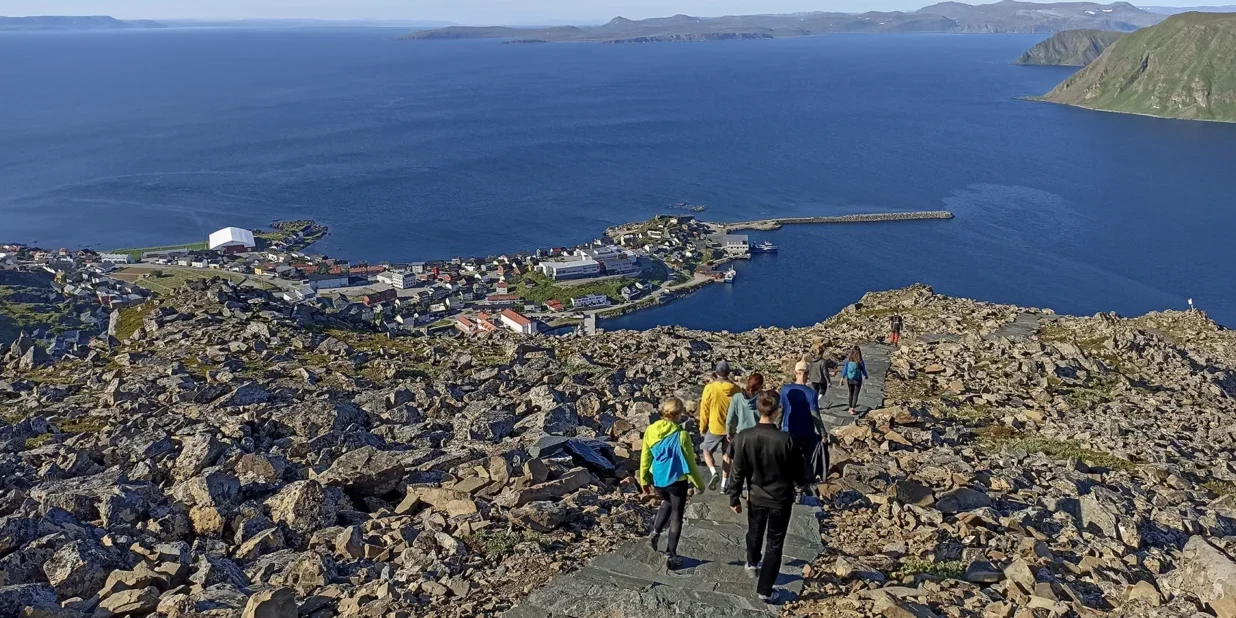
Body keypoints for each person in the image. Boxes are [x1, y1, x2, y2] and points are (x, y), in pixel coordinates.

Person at [727, 391, 806, 603]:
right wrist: (802, 485)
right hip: (780, 499)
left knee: (754, 531)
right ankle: (765, 589)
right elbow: (800, 472)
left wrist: (734, 497)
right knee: (775, 543)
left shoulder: (743, 437)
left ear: (758, 409)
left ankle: (752, 562)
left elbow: (737, 471)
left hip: (755, 496)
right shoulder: (786, 439)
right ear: (778, 409)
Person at [639, 397, 706, 569]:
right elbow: (690, 464)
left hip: (658, 480)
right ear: (680, 413)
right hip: (677, 482)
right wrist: (699, 484)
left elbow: (645, 456)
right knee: (676, 515)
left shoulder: (651, 430)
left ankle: (655, 533)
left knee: (665, 501)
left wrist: (644, 479)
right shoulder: (681, 435)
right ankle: (671, 553)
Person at [779, 360, 822, 498]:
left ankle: (789, 484)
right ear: (808, 374)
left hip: (788, 429)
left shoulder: (786, 390)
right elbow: (815, 414)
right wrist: (823, 432)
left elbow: (780, 410)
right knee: (806, 459)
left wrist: (776, 427)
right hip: (806, 431)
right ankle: (802, 485)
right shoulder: (811, 393)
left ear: (795, 373)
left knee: (789, 458)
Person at [699, 360, 740, 492]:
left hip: (715, 426)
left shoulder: (710, 388)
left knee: (706, 450)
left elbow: (704, 409)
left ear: (716, 373)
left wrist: (702, 427)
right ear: (728, 373)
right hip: (731, 430)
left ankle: (713, 471)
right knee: (726, 456)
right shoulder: (736, 389)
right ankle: (723, 485)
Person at [726, 373, 764, 446]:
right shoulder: (762, 399)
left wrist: (729, 433)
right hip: (757, 436)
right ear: (760, 386)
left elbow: (730, 418)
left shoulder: (737, 398)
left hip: (741, 435)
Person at [839, 346, 869, 415]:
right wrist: (866, 376)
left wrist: (842, 378)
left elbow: (845, 370)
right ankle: (852, 409)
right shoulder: (860, 361)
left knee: (851, 393)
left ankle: (849, 408)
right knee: (856, 394)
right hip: (858, 380)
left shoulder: (848, 361)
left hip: (850, 379)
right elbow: (863, 370)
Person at [806, 339, 830, 406]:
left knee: (815, 391)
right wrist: (828, 381)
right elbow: (825, 372)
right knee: (823, 390)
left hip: (813, 378)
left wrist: (809, 377)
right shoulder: (823, 361)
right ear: (822, 353)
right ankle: (817, 400)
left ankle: (815, 403)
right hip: (821, 379)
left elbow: (809, 369)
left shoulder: (812, 360)